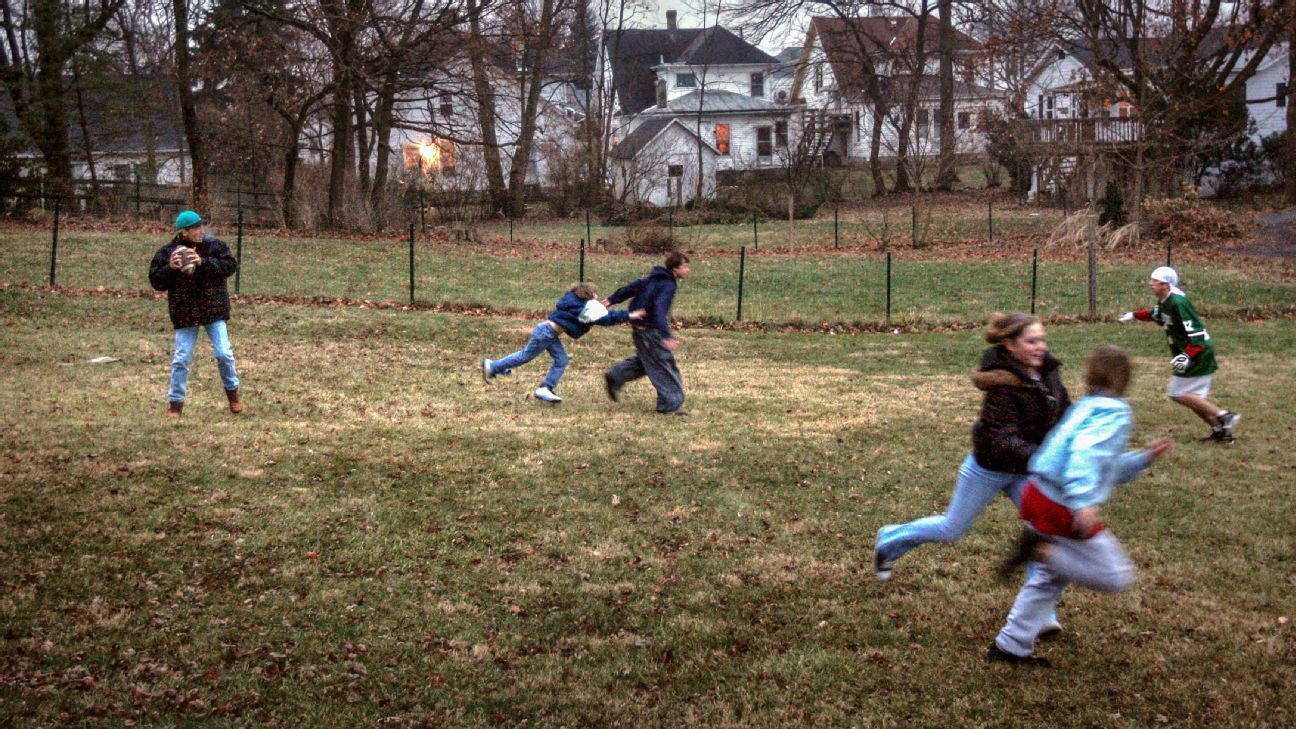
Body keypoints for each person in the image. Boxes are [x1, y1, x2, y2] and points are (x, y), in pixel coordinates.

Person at [873, 313, 1071, 633]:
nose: (1040, 347)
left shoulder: (1048, 371)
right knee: (951, 529)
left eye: (1042, 340)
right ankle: (889, 539)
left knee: (1043, 531)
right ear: (1010, 345)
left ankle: (1040, 612)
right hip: (990, 467)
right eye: (1031, 341)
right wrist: (1045, 458)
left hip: (1028, 471)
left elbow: (1064, 411)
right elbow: (1002, 438)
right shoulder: (1000, 383)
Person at [991, 345, 1172, 665]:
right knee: (1116, 575)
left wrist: (1142, 459)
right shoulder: (1114, 412)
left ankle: (1011, 644)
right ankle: (1039, 550)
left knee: (1048, 579)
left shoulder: (1086, 407)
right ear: (1124, 379)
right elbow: (1086, 453)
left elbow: (1105, 464)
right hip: (1062, 502)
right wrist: (1083, 502)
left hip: (1038, 493)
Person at [1118, 266, 1239, 442]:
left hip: (1198, 352)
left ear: (1166, 285)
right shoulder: (1166, 300)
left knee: (1177, 393)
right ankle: (1221, 431)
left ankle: (1223, 415)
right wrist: (1134, 315)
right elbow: (1157, 315)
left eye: (1155, 281)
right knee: (1194, 399)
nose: (1150, 284)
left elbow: (1196, 337)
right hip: (1191, 352)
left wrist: (1186, 356)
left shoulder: (1178, 303)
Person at [148, 210, 242, 417]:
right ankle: (175, 404)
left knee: (224, 354)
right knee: (181, 358)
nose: (201, 231)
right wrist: (171, 268)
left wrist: (202, 262)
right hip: (185, 312)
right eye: (196, 228)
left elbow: (229, 266)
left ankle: (233, 395)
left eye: (202, 226)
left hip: (213, 309)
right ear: (184, 232)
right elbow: (156, 282)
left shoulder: (215, 247)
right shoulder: (167, 252)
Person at [481, 282, 638, 403]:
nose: (597, 296)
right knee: (525, 356)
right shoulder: (584, 308)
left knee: (561, 359)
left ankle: (545, 387)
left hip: (547, 331)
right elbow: (607, 318)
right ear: (588, 294)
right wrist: (630, 315)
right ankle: (493, 366)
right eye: (595, 294)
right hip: (546, 333)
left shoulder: (572, 301)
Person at [603, 251, 690, 415]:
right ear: (675, 268)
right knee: (663, 365)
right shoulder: (668, 285)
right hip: (651, 331)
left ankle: (616, 375)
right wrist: (666, 335)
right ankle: (669, 405)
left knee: (647, 361)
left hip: (640, 330)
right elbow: (659, 309)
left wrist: (611, 300)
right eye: (684, 267)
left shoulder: (652, 277)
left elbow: (631, 287)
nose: (687, 270)